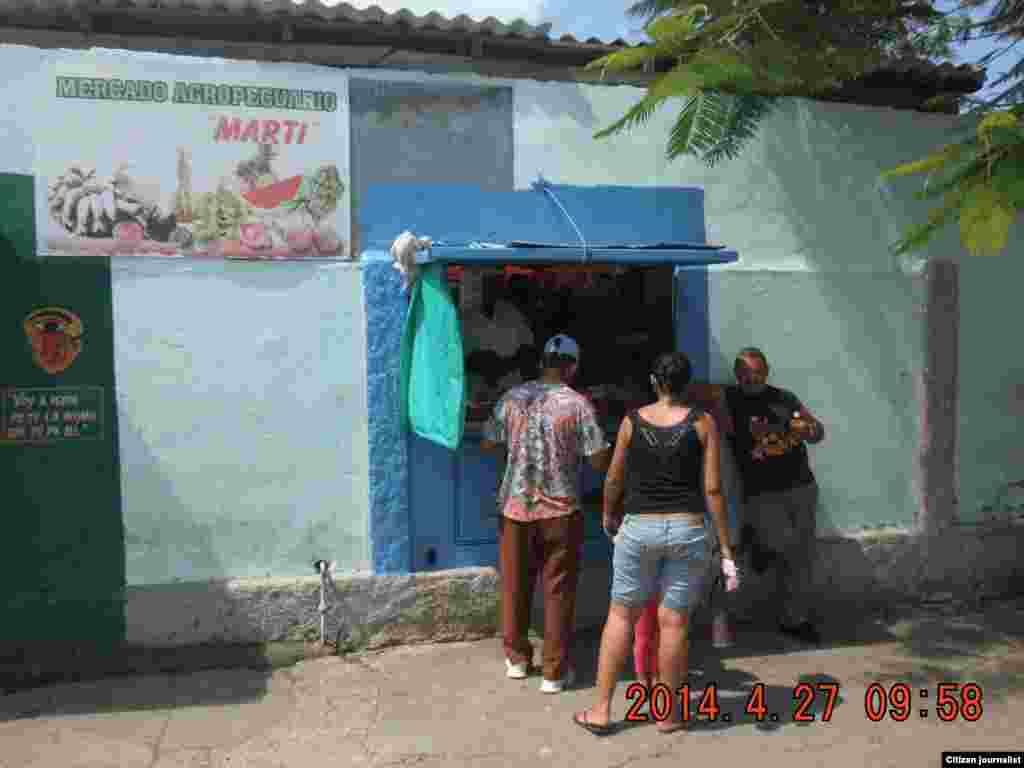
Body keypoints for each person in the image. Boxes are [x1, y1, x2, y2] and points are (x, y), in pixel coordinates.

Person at [573, 352, 737, 736]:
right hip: (688, 528)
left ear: (654, 381)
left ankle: (600, 710)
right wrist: (726, 547)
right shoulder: (703, 423)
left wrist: (608, 514)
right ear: (687, 384)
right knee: (674, 622)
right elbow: (713, 488)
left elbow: (614, 478)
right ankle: (669, 714)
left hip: (639, 528)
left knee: (621, 616)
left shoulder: (632, 421)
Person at [481, 334, 612, 693]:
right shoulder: (579, 405)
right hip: (560, 510)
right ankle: (554, 672)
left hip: (516, 508)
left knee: (514, 585)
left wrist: (517, 449)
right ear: (572, 366)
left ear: (542, 362)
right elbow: (598, 459)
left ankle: (518, 659)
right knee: (559, 590)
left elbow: (489, 441)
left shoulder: (511, 398)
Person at [723, 347, 826, 644]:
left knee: (802, 554)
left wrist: (811, 428)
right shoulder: (729, 398)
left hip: (801, 486)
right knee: (783, 545)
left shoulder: (785, 398)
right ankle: (759, 544)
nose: (750, 377)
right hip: (761, 492)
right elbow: (692, 389)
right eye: (744, 371)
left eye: (756, 371)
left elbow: (817, 432)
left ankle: (794, 619)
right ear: (736, 374)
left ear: (766, 372)